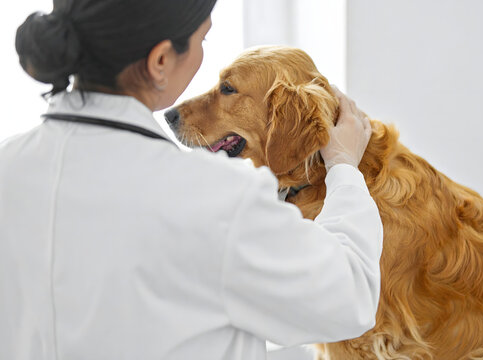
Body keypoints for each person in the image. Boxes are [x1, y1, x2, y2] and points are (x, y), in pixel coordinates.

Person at [0, 1, 383, 359]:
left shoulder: (8, 166)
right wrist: (344, 167)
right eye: (203, 39)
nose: (202, 54)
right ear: (161, 60)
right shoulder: (215, 197)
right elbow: (350, 295)